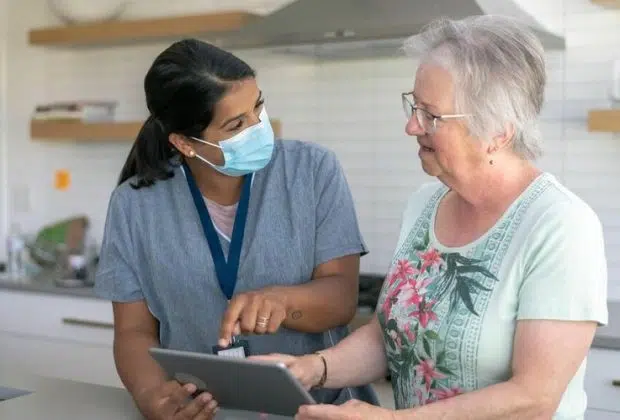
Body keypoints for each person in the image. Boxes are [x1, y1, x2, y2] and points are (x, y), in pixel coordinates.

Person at [253, 15, 609, 420]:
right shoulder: (425, 204)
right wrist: (313, 369)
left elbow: (533, 398)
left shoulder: (560, 226)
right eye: (414, 106)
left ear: (498, 131)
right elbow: (390, 334)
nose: (411, 126)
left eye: (431, 116)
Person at [94, 38, 378, 420]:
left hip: (318, 410)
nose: (258, 127)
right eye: (235, 124)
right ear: (184, 143)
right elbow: (132, 332)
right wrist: (151, 395)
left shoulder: (312, 171)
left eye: (257, 106)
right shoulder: (134, 204)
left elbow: (342, 299)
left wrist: (284, 301)